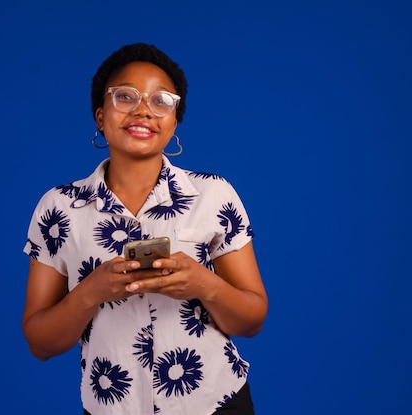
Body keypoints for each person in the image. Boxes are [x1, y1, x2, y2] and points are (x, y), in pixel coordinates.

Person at [22, 42, 268, 415]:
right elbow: (40, 343)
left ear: (174, 122)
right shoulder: (59, 209)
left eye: (161, 101)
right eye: (126, 96)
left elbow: (252, 320)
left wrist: (203, 284)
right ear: (101, 116)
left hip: (216, 405)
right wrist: (92, 291)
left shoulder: (214, 194)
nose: (143, 110)